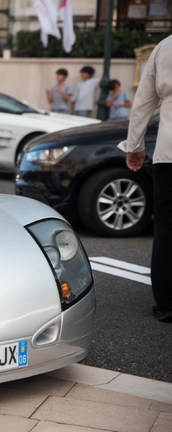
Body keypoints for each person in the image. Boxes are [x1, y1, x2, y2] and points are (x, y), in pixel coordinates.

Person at [118, 35, 172, 322]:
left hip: (168, 151)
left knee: (166, 228)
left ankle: (166, 303)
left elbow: (143, 102)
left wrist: (135, 147)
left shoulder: (165, 47)